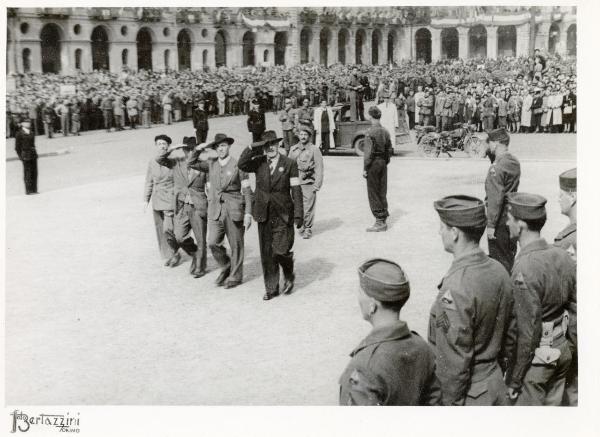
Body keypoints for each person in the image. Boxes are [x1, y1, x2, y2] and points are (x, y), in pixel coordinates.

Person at [429, 195, 514, 405]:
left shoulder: (456, 287)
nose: (439, 232)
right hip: (494, 384)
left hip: (469, 395)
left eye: (442, 227)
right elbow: (511, 336)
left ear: (455, 233)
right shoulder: (499, 269)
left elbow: (453, 364)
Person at [504, 193, 577, 406]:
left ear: (521, 225)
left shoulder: (524, 266)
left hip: (537, 363)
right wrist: (569, 348)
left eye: (510, 218)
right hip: (561, 351)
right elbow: (575, 308)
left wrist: (515, 380)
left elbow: (528, 330)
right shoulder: (561, 255)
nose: (507, 222)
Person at [339, 258, 442, 406]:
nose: (358, 298)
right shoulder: (422, 346)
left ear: (372, 305)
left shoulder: (364, 366)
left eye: (360, 292)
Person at [237, 130, 304, 300]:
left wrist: (298, 214)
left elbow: (296, 189)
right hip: (263, 214)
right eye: (267, 145)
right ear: (263, 147)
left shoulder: (289, 164)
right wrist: (252, 146)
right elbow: (242, 164)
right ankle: (271, 288)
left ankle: (288, 274)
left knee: (281, 251)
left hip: (283, 214)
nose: (271, 148)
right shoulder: (259, 163)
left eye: (273, 144)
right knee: (267, 254)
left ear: (278, 145)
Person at [189, 134, 253, 289]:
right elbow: (191, 162)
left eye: (223, 145)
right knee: (212, 242)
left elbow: (247, 190)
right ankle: (225, 265)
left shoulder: (239, 165)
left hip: (234, 210)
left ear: (229, 147)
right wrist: (199, 148)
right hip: (215, 211)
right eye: (218, 147)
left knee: (236, 245)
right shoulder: (211, 164)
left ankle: (235, 276)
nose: (221, 149)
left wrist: (248, 213)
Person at [156, 136, 207, 277]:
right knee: (180, 236)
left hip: (198, 206)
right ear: (183, 150)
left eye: (192, 149)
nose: (189, 152)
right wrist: (171, 149)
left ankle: (200, 267)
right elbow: (160, 160)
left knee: (201, 238)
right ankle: (195, 253)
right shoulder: (176, 163)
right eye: (187, 149)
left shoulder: (203, 164)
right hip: (182, 206)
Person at [554, 168, 577, 406]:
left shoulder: (568, 240)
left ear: (573, 197)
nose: (558, 198)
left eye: (561, 194)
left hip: (575, 326)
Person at [484, 128, 521, 273]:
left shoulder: (496, 167)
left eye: (490, 142)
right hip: (511, 216)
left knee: (499, 262)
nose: (489, 146)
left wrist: (491, 225)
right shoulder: (513, 161)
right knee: (508, 257)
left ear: (495, 144)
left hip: (499, 220)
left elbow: (495, 197)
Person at [144, 135, 177, 261]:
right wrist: (145, 200)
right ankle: (170, 255)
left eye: (164, 143)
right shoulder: (152, 161)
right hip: (157, 200)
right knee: (161, 230)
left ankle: (175, 249)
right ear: (156, 146)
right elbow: (149, 181)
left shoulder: (173, 160)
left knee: (169, 229)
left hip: (170, 199)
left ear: (168, 146)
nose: (162, 146)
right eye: (159, 144)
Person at [288, 124, 324, 239]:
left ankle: (308, 228)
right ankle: (301, 225)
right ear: (298, 135)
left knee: (308, 206)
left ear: (309, 136)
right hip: (295, 183)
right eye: (301, 134)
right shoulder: (293, 149)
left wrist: (317, 184)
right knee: (297, 205)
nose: (303, 137)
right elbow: (287, 166)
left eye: (305, 134)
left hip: (308, 182)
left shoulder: (314, 150)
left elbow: (319, 168)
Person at [363, 106, 393, 232]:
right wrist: (384, 161)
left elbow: (368, 153)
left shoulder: (370, 132)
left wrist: (365, 168)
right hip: (383, 163)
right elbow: (390, 150)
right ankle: (383, 216)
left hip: (373, 164)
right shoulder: (385, 131)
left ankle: (379, 221)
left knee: (373, 192)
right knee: (382, 190)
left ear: (370, 116)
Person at [15, 120, 38, 195]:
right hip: (25, 155)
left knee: (34, 172)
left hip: (33, 154)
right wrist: (20, 156)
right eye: (26, 122)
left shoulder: (31, 132)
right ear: (22, 124)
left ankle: (34, 189)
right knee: (27, 173)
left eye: (29, 122)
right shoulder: (19, 134)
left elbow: (33, 144)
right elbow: (17, 147)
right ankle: (28, 190)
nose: (28, 123)